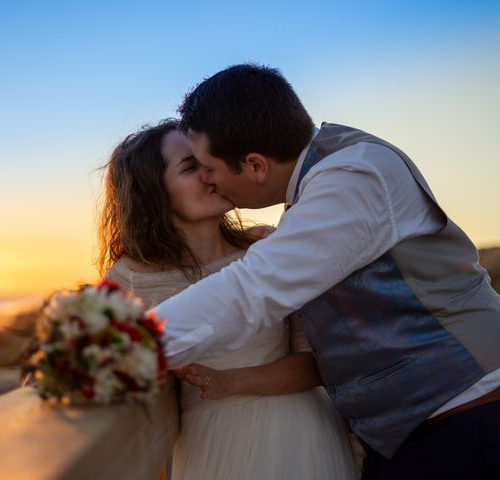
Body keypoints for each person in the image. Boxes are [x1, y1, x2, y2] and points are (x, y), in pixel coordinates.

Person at [153, 64, 500, 479]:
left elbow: (252, 289)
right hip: (417, 432)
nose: (208, 180)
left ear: (255, 166)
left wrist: (127, 347)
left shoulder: (355, 174)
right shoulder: (319, 187)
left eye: (208, 167)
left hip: (470, 420)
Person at [97, 119, 358, 479]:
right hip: (213, 449)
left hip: (301, 436)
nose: (210, 174)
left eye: (208, 161)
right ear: (153, 191)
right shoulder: (128, 281)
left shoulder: (268, 250)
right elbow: (101, 362)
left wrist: (233, 382)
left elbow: (317, 362)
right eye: (191, 167)